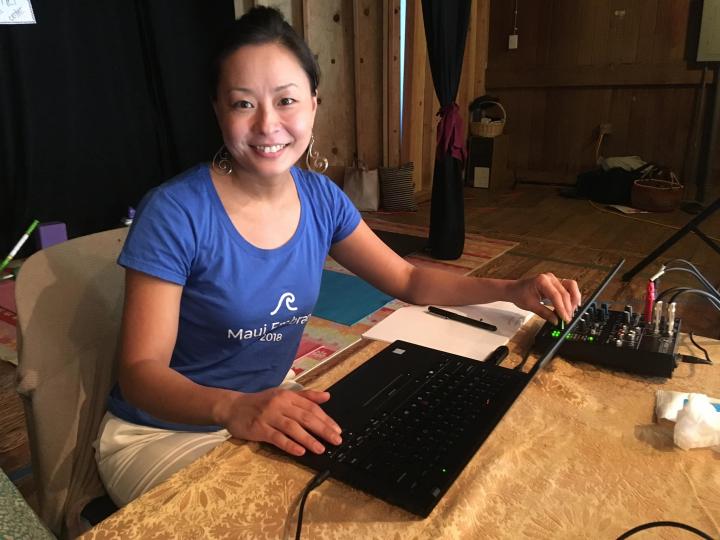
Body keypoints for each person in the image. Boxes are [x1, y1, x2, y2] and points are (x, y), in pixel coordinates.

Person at [94, 6, 581, 508]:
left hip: (268, 405)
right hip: (163, 433)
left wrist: (510, 289)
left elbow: (408, 279)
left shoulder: (321, 198)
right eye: (243, 104)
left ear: (313, 105)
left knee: (375, 488)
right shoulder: (175, 211)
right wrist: (233, 408)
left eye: (286, 100)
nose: (267, 124)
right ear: (218, 109)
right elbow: (140, 371)